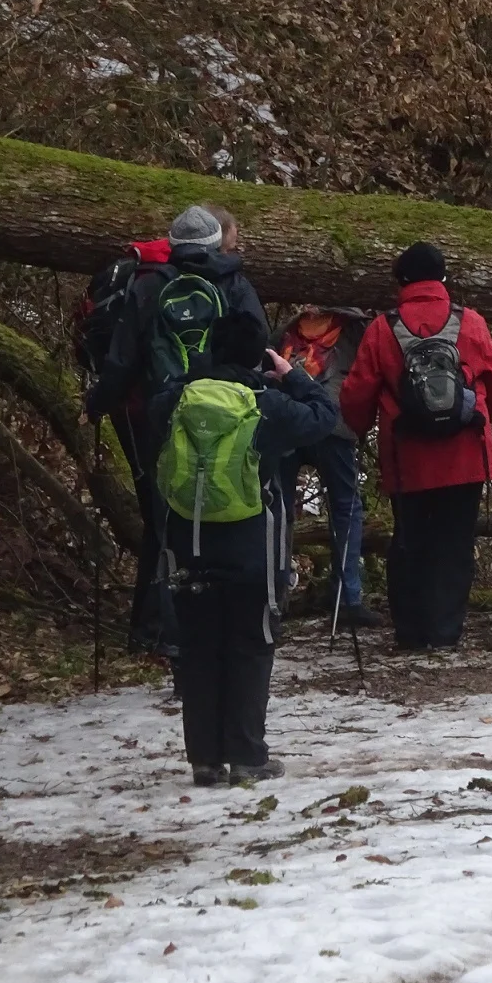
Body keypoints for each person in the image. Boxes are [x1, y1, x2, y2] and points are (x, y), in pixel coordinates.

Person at [84, 204, 267, 669]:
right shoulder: (235, 283)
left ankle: (167, 634)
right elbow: (257, 347)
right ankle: (224, 621)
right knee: (229, 510)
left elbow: (123, 360)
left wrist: (96, 403)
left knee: (168, 521)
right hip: (225, 418)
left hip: (164, 417)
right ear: (214, 244)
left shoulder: (149, 286)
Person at [165, 312, 338, 785]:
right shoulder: (267, 405)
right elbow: (326, 418)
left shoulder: (178, 400)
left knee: (200, 650)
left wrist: (198, 369)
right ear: (260, 354)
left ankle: (204, 760)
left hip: (191, 545)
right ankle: (246, 755)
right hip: (252, 551)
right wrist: (293, 375)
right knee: (251, 646)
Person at [339, 242, 492, 649]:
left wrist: (359, 426)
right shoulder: (470, 322)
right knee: (455, 543)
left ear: (401, 281)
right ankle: (445, 630)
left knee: (410, 542)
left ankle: (411, 633)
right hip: (465, 453)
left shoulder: (382, 328)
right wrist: (484, 418)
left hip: (407, 457)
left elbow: (356, 394)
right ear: (443, 279)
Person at [276, 305, 378, 626]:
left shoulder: (287, 330)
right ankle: (347, 598)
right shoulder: (357, 329)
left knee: (277, 508)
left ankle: (273, 596)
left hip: (288, 419)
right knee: (346, 507)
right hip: (334, 423)